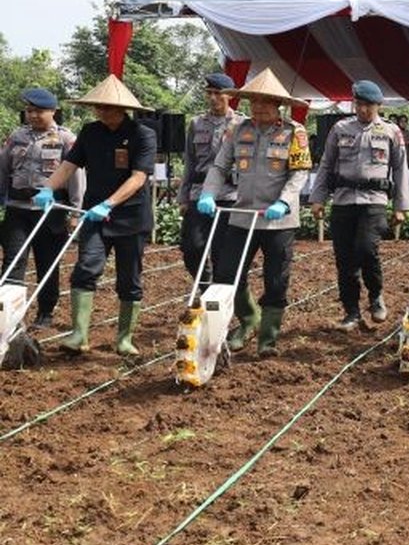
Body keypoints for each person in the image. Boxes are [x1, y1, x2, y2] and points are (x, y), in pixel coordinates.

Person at [38, 75, 156, 356]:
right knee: (85, 269)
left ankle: (124, 339)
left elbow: (138, 178)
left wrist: (109, 203)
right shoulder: (91, 132)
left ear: (122, 108)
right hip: (94, 217)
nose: (101, 112)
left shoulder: (142, 134)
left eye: (107, 107)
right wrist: (48, 188)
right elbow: (69, 165)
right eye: (98, 107)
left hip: (130, 218)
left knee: (129, 280)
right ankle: (79, 335)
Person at [198, 69, 311, 357]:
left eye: (265, 102)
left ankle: (267, 340)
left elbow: (299, 174)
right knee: (227, 275)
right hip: (242, 215)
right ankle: (248, 320)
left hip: (278, 221)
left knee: (276, 280)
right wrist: (208, 193)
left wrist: (283, 202)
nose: (258, 107)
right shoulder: (238, 130)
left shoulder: (294, 132)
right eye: (253, 101)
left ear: (278, 105)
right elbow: (220, 166)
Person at [309, 80, 409, 331]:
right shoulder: (340, 128)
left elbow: (400, 168)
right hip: (343, 200)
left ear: (378, 105)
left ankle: (375, 295)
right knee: (344, 258)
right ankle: (351, 311)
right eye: (359, 104)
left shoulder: (390, 131)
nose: (363, 110)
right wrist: (318, 198)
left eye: (369, 105)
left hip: (374, 201)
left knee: (366, 249)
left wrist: (401, 206)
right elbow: (326, 164)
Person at [0, 87, 83, 328]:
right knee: (13, 262)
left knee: (47, 263)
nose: (33, 115)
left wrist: (75, 212)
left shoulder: (66, 139)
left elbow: (76, 177)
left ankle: (45, 311)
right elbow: (3, 169)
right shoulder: (17, 136)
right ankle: (9, 316)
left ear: (53, 111)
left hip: (51, 211)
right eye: (29, 111)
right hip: (17, 208)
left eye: (39, 111)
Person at [178, 73, 246, 285]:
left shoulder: (243, 124)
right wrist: (183, 197)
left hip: (229, 194)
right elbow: (190, 161)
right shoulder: (197, 123)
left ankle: (220, 294)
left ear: (230, 96)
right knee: (191, 247)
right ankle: (204, 285)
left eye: (218, 93)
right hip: (199, 193)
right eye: (209, 93)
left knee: (221, 250)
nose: (213, 98)